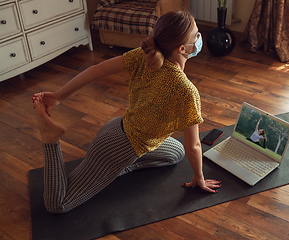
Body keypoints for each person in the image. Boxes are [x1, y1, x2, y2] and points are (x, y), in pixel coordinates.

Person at [32, 11, 221, 214]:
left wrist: (59, 96)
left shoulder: (145, 56)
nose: (200, 38)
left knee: (176, 154)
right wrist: (198, 178)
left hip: (118, 127)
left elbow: (96, 69)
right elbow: (194, 145)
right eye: (197, 35)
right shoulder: (186, 91)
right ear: (183, 48)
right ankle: (50, 139)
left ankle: (116, 169)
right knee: (58, 205)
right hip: (117, 148)